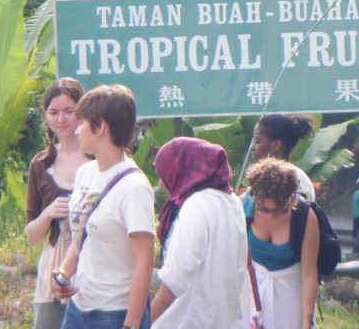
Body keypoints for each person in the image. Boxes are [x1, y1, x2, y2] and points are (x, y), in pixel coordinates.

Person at [51, 84, 154, 329]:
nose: (77, 131)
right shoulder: (85, 173)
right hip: (78, 308)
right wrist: (63, 273)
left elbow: (145, 263)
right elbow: (83, 235)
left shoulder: (133, 187)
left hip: (113, 313)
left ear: (101, 127)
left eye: (82, 123)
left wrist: (131, 324)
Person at [149, 137, 249, 329]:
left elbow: (175, 279)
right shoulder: (231, 200)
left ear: (179, 170)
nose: (161, 182)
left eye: (164, 172)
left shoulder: (196, 205)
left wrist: (142, 322)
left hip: (189, 321)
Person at [26, 78, 90, 329]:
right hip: (55, 266)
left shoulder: (102, 158)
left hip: (95, 264)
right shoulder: (40, 164)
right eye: (53, 112)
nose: (61, 119)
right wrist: (48, 213)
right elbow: (32, 235)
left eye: (69, 111)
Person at [245, 157, 319, 329]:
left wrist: (307, 324)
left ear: (291, 199)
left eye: (279, 210)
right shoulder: (243, 209)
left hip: (291, 294)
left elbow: (309, 275)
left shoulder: (305, 217)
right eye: (264, 209)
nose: (271, 215)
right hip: (253, 292)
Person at [252, 114, 317, 202]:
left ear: (276, 145)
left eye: (257, 141)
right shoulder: (264, 178)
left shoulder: (293, 179)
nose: (252, 147)